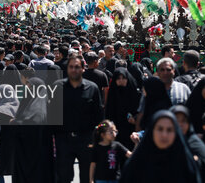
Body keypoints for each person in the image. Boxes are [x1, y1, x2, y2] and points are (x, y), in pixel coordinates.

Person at [54, 55, 103, 183]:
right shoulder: (57, 87)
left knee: (87, 177)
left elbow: (99, 116)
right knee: (63, 177)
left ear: (83, 69)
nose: (74, 70)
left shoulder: (92, 88)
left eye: (77, 67)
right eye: (71, 67)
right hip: (63, 140)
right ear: (67, 69)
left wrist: (98, 141)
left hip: (86, 140)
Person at [120, 110, 201, 183]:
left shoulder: (186, 164)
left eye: (169, 130)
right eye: (160, 129)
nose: (164, 135)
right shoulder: (136, 164)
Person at [12, 75, 53, 183]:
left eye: (30, 88)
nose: (28, 90)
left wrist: (16, 122)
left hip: (35, 154)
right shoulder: (29, 103)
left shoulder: (39, 110)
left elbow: (33, 121)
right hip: (23, 155)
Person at [170, 105, 205, 183]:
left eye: (183, 121)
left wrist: (196, 162)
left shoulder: (195, 143)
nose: (180, 125)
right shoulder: (163, 144)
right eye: (175, 121)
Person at [105, 68, 140, 150]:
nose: (121, 81)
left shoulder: (135, 93)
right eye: (118, 78)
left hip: (132, 130)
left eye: (123, 78)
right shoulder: (113, 94)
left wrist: (135, 118)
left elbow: (140, 111)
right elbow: (109, 112)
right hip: (116, 130)